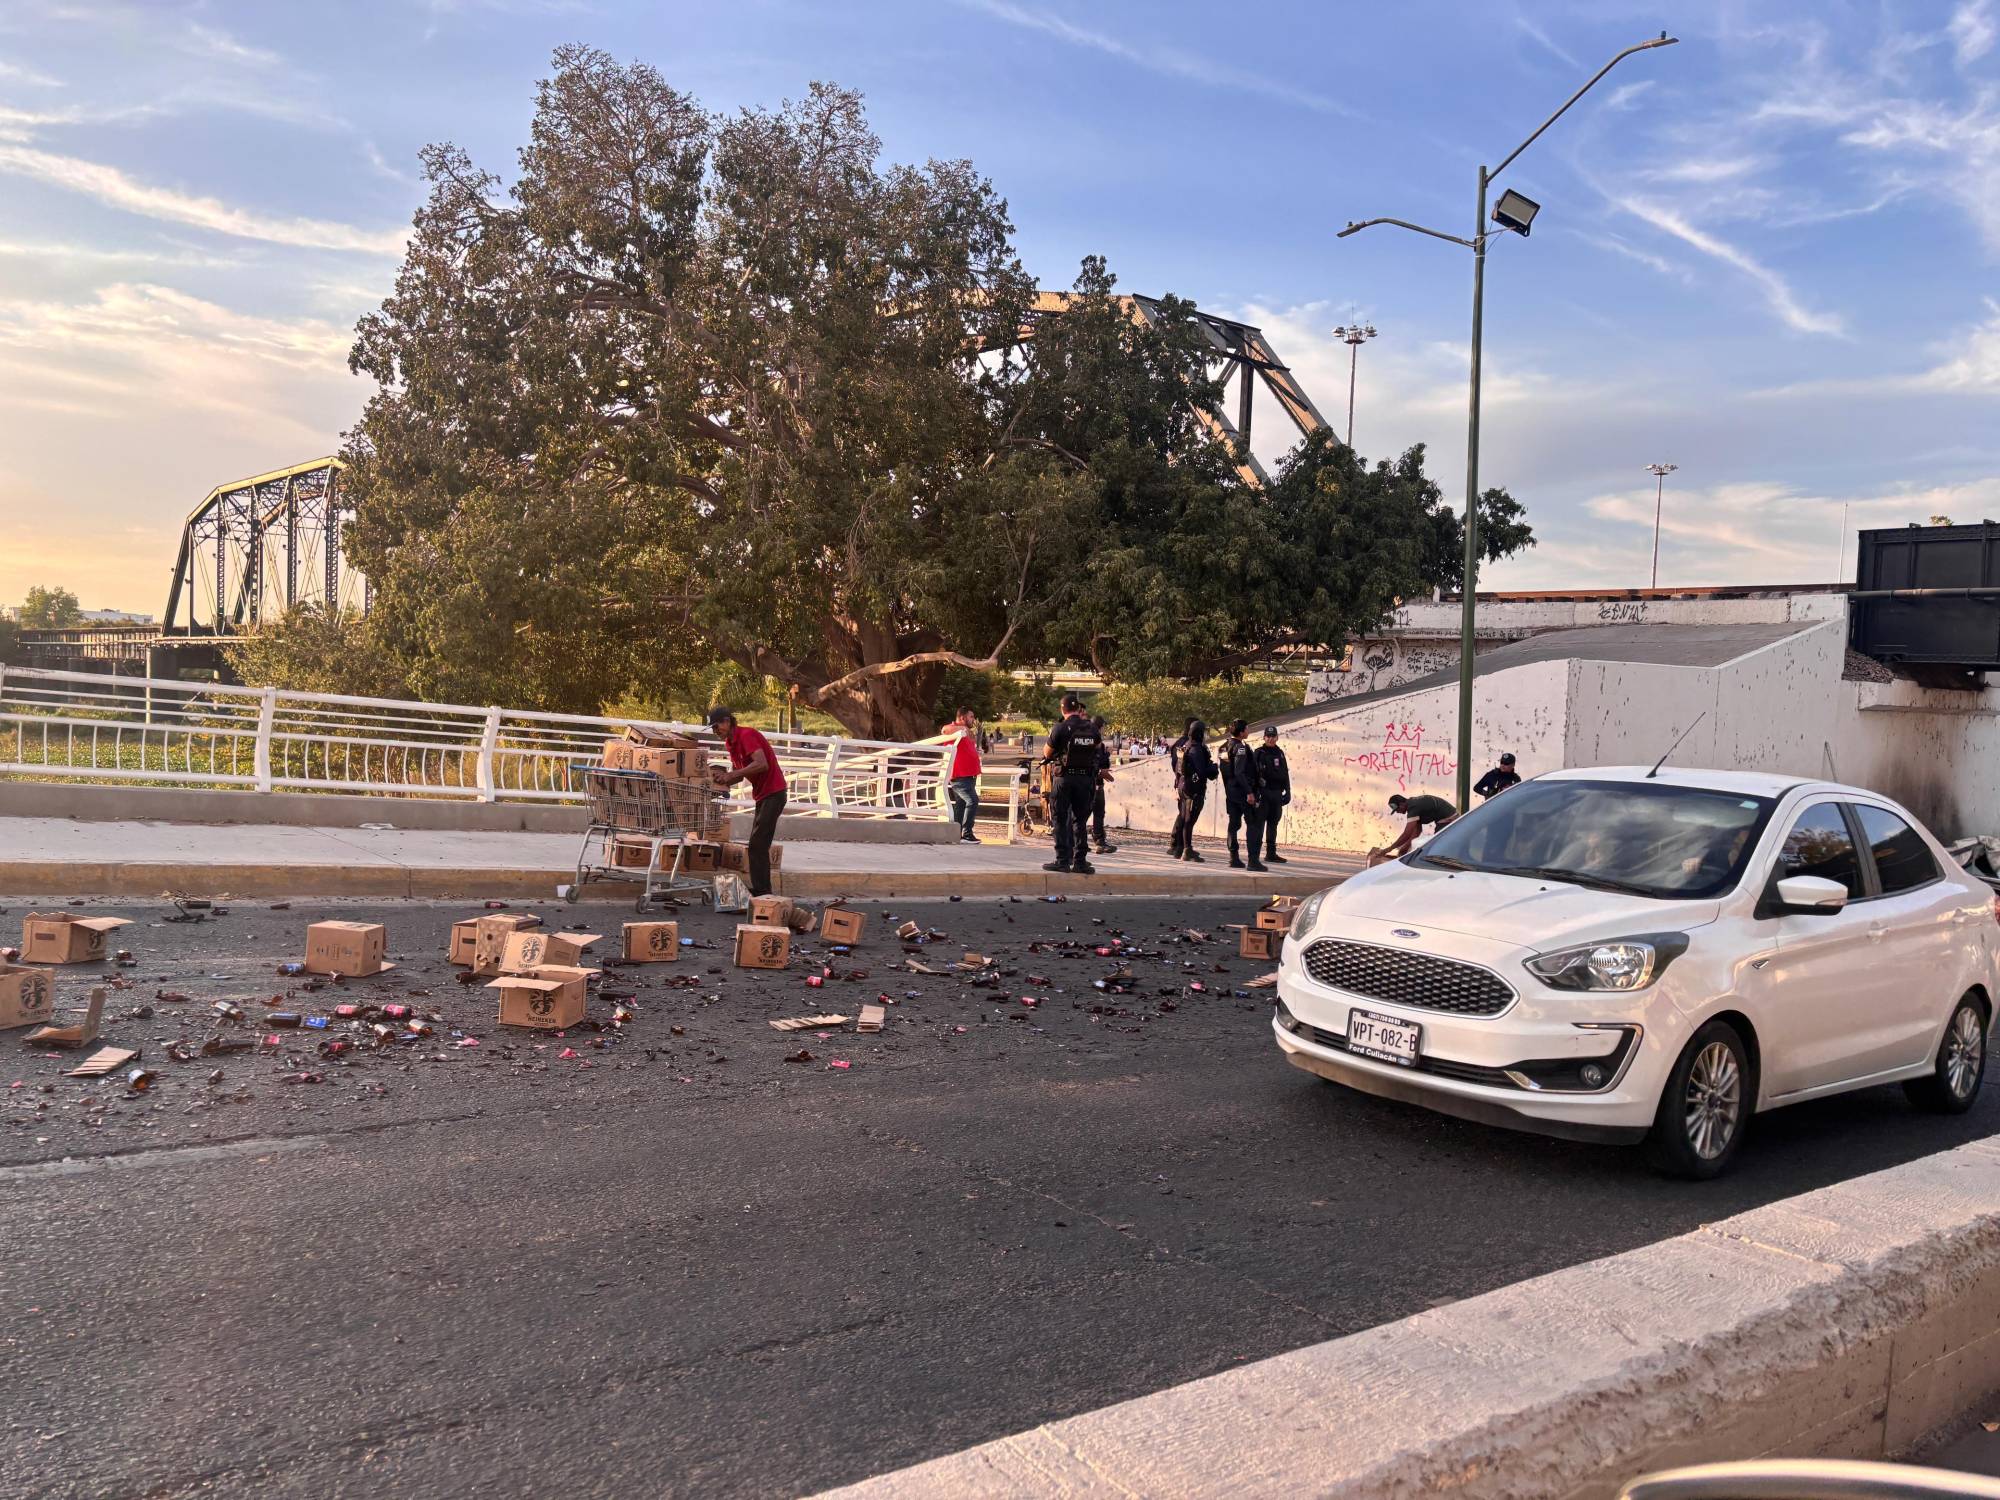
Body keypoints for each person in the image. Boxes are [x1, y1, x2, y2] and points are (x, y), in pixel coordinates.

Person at [707, 707, 789, 896]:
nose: (715, 731)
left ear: (727, 721)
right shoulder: (730, 743)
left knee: (757, 844)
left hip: (774, 792)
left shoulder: (747, 735)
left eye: (717, 726)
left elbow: (761, 764)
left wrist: (733, 774)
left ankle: (762, 891)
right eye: (712, 728)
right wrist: (723, 779)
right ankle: (762, 890)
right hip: (762, 795)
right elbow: (739, 772)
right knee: (758, 844)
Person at [1040, 694, 1103, 875]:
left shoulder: (1060, 728)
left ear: (1062, 709)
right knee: (1080, 820)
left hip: (1064, 779)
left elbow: (1047, 752)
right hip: (1085, 780)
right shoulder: (1091, 728)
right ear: (1078, 709)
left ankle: (1062, 860)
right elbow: (1097, 749)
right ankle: (1080, 861)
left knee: (1060, 818)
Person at [1217, 718, 1266, 872]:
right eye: (1247, 728)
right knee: (1253, 824)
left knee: (1234, 824)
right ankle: (1253, 860)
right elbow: (1239, 772)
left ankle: (1234, 857)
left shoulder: (1223, 747)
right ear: (1241, 731)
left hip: (1231, 792)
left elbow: (1225, 771)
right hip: (1243, 792)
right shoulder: (1240, 748)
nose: (1248, 730)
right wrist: (1249, 792)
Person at [1168, 718, 1218, 861]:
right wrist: (1213, 768)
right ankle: (1186, 849)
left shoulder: (1186, 745)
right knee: (1189, 821)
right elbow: (1202, 771)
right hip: (1193, 789)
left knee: (1185, 819)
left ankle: (1181, 849)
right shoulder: (1196, 749)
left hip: (1183, 787)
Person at [1369, 791, 1457, 867]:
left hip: (1448, 818)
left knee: (1437, 847)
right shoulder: (1414, 804)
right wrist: (1406, 847)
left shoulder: (1413, 808)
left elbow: (1407, 834)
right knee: (1437, 846)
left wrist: (1388, 849)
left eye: (1398, 809)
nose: (1398, 812)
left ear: (1402, 804)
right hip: (1447, 817)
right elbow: (1416, 832)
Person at [943, 708, 982, 844]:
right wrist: (964, 729)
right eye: (971, 717)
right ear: (962, 718)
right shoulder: (954, 728)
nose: (973, 719)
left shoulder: (967, 732)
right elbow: (944, 730)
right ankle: (967, 833)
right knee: (972, 800)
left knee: (961, 805)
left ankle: (955, 833)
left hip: (969, 776)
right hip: (960, 776)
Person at [1253, 726, 1292, 864]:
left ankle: (1271, 853)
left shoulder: (1280, 753)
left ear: (1277, 737)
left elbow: (1285, 773)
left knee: (1273, 824)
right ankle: (1254, 855)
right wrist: (1255, 793)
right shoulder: (1259, 753)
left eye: (1273, 736)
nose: (1270, 738)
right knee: (1259, 824)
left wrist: (1288, 791)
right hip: (1264, 793)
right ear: (1264, 737)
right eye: (1268, 736)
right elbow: (1252, 775)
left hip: (1276, 793)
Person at [1089, 714, 1118, 855]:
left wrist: (1106, 755)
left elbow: (1104, 764)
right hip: (1090, 784)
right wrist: (1101, 771)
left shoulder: (1101, 745)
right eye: (1103, 727)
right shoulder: (1090, 743)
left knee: (1099, 813)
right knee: (1083, 814)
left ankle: (1100, 841)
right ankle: (1080, 842)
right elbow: (1091, 765)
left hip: (1098, 785)